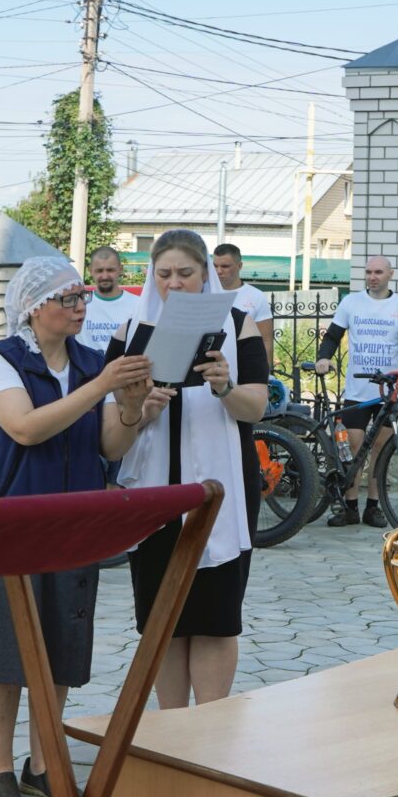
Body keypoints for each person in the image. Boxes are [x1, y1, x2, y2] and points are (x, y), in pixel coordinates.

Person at [0, 258, 154, 797]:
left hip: (75, 522)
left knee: (60, 648)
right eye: (68, 299)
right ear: (33, 307)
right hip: (12, 522)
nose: (80, 307)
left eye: (82, 299)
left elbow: (110, 448)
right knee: (5, 650)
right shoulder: (0, 360)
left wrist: (131, 406)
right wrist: (101, 386)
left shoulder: (92, 361)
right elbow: (24, 428)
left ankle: (42, 762)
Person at [113, 229, 267, 708]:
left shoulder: (238, 326)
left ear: (205, 275)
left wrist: (225, 386)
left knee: (215, 618)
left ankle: (212, 730)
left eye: (185, 273)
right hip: (154, 495)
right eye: (164, 274)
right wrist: (141, 409)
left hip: (221, 490)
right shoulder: (128, 333)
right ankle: (172, 730)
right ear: (150, 277)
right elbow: (112, 432)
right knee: (164, 620)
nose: (174, 284)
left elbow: (255, 408)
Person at [313, 254, 398, 527]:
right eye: (368, 272)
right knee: (353, 448)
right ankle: (350, 507)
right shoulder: (351, 302)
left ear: (390, 274)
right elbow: (332, 336)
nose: (372, 276)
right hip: (358, 387)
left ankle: (373, 507)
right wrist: (324, 357)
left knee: (381, 449)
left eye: (378, 272)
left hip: (388, 390)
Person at [213, 241, 276, 360]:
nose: (219, 271)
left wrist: (264, 374)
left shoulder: (256, 296)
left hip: (245, 365)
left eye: (225, 266)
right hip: (211, 365)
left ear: (240, 266)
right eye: (215, 266)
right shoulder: (206, 293)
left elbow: (266, 341)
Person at [81, 244, 136, 356]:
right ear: (90, 271)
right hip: (86, 372)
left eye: (110, 270)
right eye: (99, 271)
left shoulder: (137, 305)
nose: (105, 276)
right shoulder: (79, 303)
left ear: (120, 269)